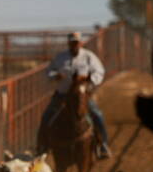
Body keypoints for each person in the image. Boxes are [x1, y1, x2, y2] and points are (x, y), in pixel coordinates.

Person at [38, 31, 111, 159]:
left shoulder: (89, 57)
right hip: (62, 95)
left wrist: (89, 79)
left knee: (97, 115)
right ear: (68, 43)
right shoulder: (60, 57)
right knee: (47, 116)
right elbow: (48, 72)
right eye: (72, 43)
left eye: (76, 42)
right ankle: (42, 146)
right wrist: (55, 76)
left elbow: (99, 72)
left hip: (82, 95)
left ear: (81, 43)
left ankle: (103, 145)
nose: (74, 45)